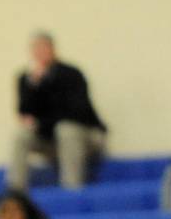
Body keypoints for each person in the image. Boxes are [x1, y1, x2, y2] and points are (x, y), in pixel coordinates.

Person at [6, 32, 107, 191]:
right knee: (21, 135)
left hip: (84, 137)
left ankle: (71, 190)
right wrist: (34, 86)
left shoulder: (71, 74)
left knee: (66, 129)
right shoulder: (26, 79)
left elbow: (77, 113)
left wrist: (40, 123)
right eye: (36, 49)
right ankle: (15, 193)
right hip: (51, 140)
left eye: (44, 48)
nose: (40, 53)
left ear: (53, 49)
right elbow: (24, 113)